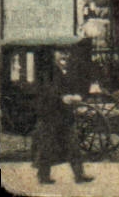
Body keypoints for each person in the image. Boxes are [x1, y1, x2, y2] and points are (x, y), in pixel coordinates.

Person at [33, 50, 94, 185]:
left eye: (66, 53)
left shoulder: (68, 71)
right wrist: (61, 98)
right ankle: (43, 176)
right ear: (53, 54)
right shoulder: (47, 71)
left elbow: (74, 87)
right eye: (60, 52)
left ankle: (79, 174)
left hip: (65, 114)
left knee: (73, 144)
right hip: (50, 114)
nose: (64, 56)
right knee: (47, 146)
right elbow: (47, 90)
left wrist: (77, 96)